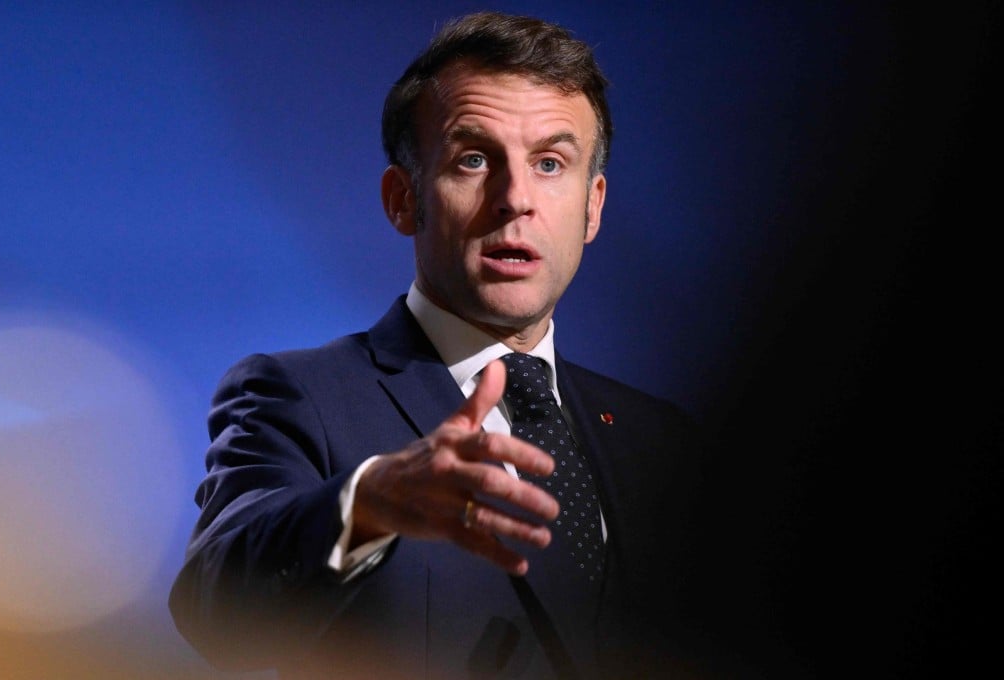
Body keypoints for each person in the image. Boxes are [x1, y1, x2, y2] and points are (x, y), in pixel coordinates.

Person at [170, 11, 707, 679]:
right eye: (474, 159)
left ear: (593, 206)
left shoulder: (660, 439)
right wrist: (370, 502)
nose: (515, 198)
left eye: (550, 162)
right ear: (403, 199)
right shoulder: (299, 396)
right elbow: (216, 610)